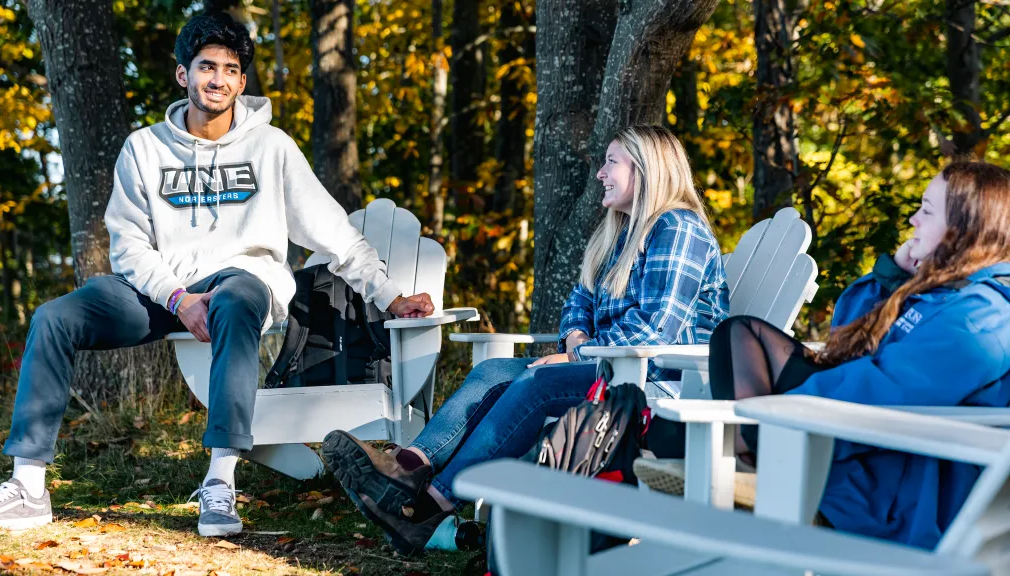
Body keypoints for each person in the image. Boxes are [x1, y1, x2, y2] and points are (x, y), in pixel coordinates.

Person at [0, 13, 434, 537]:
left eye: (229, 69)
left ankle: (220, 481)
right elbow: (128, 245)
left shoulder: (272, 148)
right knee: (54, 318)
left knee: (235, 298)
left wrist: (391, 295)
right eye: (205, 67)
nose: (217, 78)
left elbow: (335, 233)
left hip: (244, 281)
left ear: (242, 81)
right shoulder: (144, 149)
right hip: (163, 287)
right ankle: (29, 486)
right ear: (183, 75)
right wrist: (178, 298)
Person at [321, 125, 731, 555]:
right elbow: (580, 301)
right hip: (607, 365)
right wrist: (576, 340)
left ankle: (428, 507)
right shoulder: (619, 235)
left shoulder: (676, 228)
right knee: (493, 370)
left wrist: (578, 355)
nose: (600, 174)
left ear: (647, 170)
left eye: (611, 162)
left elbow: (655, 329)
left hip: (655, 382)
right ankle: (407, 468)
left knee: (534, 385)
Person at [701, 161, 1010, 549]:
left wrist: (780, 416)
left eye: (927, 211)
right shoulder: (946, 292)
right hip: (868, 451)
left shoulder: (982, 318)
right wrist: (893, 276)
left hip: (894, 495)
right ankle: (745, 448)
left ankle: (746, 450)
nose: (914, 220)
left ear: (966, 226)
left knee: (678, 436)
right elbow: (845, 339)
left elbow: (889, 392)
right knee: (740, 333)